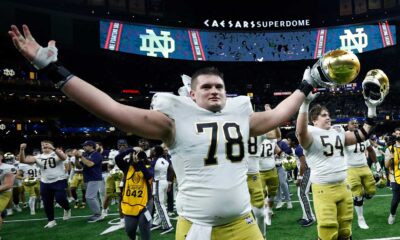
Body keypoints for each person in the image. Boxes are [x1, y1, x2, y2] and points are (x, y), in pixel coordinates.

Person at [9, 24, 317, 239]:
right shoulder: (173, 122)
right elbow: (112, 109)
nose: (214, 91)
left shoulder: (240, 117)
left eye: (219, 87)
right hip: (199, 229)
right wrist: (52, 69)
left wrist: (306, 84)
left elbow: (278, 114)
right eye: (206, 86)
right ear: (191, 95)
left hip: (244, 223)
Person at [296, 91, 380, 240]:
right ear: (314, 120)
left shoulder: (338, 132)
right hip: (323, 189)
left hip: (343, 186)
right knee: (328, 232)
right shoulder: (310, 133)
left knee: (345, 231)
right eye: (323, 115)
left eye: (328, 114)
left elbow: (362, 134)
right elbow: (300, 132)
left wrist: (371, 109)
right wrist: (305, 104)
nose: (328, 117)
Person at [19, 141, 71, 228]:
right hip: (45, 181)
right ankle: (51, 220)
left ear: (51, 145)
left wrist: (53, 148)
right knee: (47, 202)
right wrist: (22, 149)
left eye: (46, 144)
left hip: (59, 179)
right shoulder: (38, 157)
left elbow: (63, 158)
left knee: (60, 199)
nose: (44, 146)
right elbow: (23, 160)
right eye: (42, 145)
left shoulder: (57, 152)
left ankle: (67, 208)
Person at [344, 118, 377, 229]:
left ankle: (360, 201)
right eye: (352, 123)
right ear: (347, 125)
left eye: (357, 123)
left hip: (364, 166)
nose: (355, 125)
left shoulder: (363, 137)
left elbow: (371, 150)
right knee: (357, 195)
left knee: (372, 192)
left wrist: (376, 164)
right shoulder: (344, 137)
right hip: (351, 168)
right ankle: (361, 218)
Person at [115, 147, 154, 240]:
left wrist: (139, 162)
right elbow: (117, 158)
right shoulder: (127, 167)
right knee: (129, 230)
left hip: (145, 203)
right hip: (130, 203)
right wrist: (131, 149)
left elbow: (148, 175)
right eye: (135, 154)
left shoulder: (149, 167)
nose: (137, 156)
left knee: (144, 227)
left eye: (140, 154)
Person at [286, 131, 315, 227]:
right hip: (307, 171)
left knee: (302, 194)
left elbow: (304, 165)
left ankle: (310, 218)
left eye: (288, 140)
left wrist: (299, 178)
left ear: (293, 141)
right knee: (301, 194)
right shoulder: (296, 148)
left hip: (307, 171)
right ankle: (306, 216)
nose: (287, 141)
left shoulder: (298, 149)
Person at [73, 140, 104, 223]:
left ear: (91, 146)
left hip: (95, 177)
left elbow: (90, 164)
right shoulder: (86, 154)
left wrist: (80, 157)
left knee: (89, 197)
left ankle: (98, 215)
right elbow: (79, 166)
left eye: (85, 145)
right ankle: (98, 214)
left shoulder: (97, 154)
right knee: (93, 197)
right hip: (88, 178)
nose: (83, 147)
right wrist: (76, 158)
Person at [150, 145, 174, 235]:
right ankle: (157, 222)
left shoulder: (154, 161)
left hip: (157, 183)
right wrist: (170, 182)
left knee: (159, 204)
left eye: (152, 150)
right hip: (164, 182)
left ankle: (167, 225)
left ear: (155, 152)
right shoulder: (165, 160)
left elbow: (149, 173)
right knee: (161, 203)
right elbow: (171, 171)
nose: (151, 152)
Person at [385, 127, 400, 225]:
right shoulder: (390, 149)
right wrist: (390, 158)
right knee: (395, 200)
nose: (399, 135)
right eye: (397, 133)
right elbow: (386, 166)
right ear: (394, 134)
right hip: (395, 177)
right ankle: (392, 214)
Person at [0, 155, 16, 233]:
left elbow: (8, 185)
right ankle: (3, 213)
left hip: (3, 193)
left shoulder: (8, 167)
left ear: (1, 157)